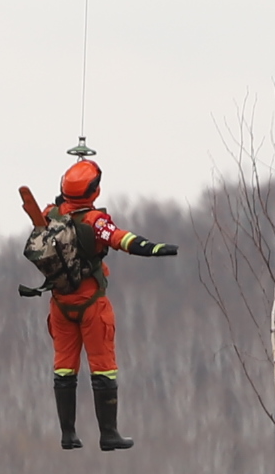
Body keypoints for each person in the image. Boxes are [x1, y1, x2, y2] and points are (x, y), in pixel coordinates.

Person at [19, 155, 178, 451]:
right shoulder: (95, 221)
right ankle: (108, 433)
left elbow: (47, 222)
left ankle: (68, 434)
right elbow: (122, 239)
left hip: (60, 304)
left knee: (64, 367)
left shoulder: (51, 213)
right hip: (92, 303)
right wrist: (156, 249)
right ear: (94, 192)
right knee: (103, 366)